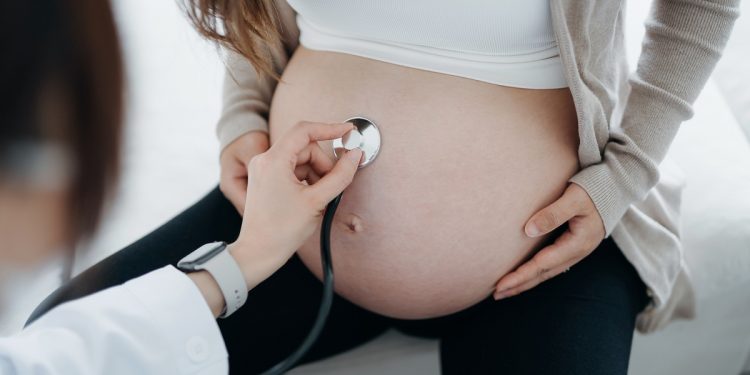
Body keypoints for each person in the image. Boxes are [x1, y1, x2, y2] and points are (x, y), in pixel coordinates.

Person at [29, 0, 740, 374]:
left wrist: (623, 176)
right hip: (288, 226)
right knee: (62, 327)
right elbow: (254, 6)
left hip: (546, 255)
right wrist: (242, 115)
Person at [0, 1, 365, 373]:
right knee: (59, 315)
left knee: (59, 319)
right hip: (288, 252)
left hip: (285, 246)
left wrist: (245, 259)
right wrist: (244, 114)